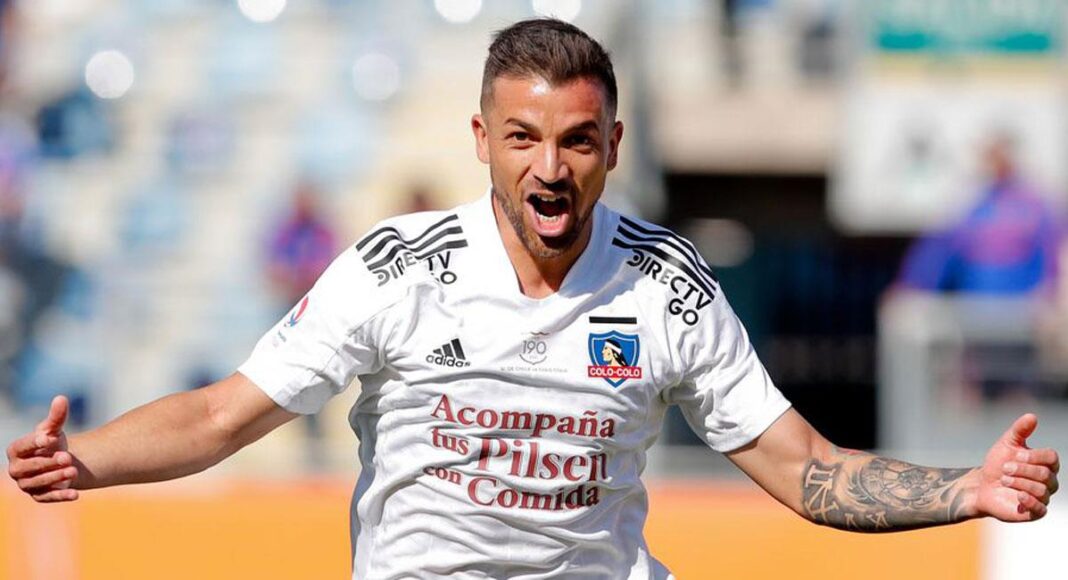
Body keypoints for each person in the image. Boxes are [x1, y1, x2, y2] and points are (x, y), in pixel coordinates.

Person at [6, 19, 1059, 579]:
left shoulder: (668, 286)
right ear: (482, 141)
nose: (549, 169)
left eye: (575, 141)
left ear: (613, 146)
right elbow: (218, 415)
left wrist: (966, 489)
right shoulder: (395, 269)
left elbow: (805, 468)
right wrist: (83, 457)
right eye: (522, 138)